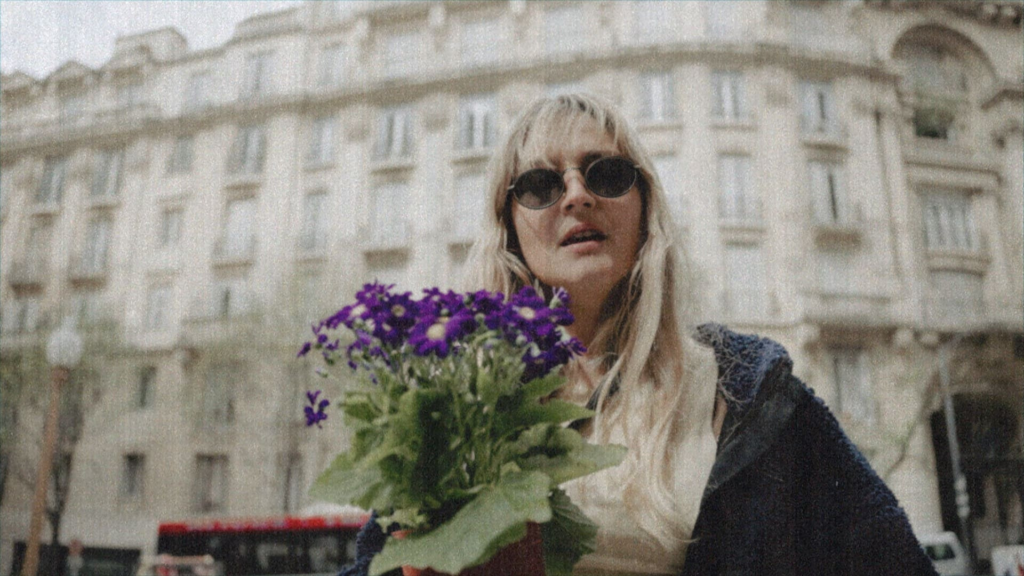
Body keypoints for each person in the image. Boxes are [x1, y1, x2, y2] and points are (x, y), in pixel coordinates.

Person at [339, 93, 937, 575]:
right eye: (541, 185)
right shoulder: (459, 405)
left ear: (645, 206)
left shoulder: (747, 392)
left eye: (607, 174)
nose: (577, 195)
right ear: (509, 224)